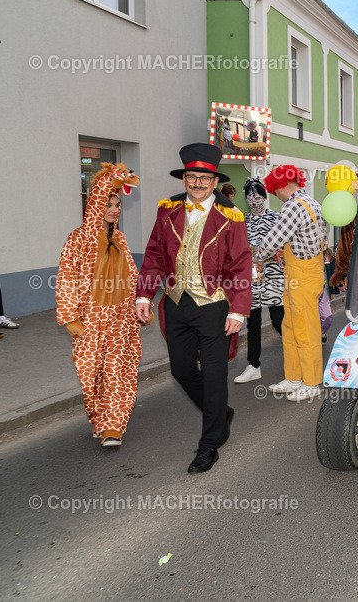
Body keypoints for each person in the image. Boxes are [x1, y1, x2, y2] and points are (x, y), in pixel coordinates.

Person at [136, 144, 250, 473]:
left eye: (204, 178)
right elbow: (155, 255)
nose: (197, 183)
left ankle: (209, 443)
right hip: (175, 303)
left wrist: (238, 310)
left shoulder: (230, 216)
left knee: (213, 376)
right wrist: (144, 295)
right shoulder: (167, 210)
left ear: (214, 182)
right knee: (182, 370)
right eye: (191, 177)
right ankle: (220, 413)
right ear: (184, 179)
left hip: (214, 305)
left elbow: (241, 264)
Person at [56, 163, 142, 446]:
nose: (114, 210)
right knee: (90, 376)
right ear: (95, 203)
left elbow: (132, 275)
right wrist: (69, 317)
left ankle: (113, 426)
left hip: (120, 318)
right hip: (90, 319)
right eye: (108, 204)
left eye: (117, 205)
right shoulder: (78, 239)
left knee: (117, 370)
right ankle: (99, 419)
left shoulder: (121, 239)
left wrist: (141, 305)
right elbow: (66, 277)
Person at [254, 165, 328, 402]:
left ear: (281, 186)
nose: (275, 196)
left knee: (305, 330)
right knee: (291, 327)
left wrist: (258, 258)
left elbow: (274, 238)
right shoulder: (312, 202)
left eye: (274, 191)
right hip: (305, 273)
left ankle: (311, 382)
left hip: (302, 275)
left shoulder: (293, 206)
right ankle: (294, 377)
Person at [233, 177, 285, 384]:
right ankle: (253, 365)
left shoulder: (276, 217)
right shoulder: (242, 220)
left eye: (257, 197)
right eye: (250, 198)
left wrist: (269, 257)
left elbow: (284, 245)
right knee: (252, 323)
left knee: (279, 321)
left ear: (264, 197)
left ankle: (298, 355)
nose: (254, 202)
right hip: (251, 279)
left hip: (273, 277)